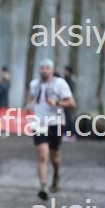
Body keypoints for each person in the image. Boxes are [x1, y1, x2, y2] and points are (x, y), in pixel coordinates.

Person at [27, 59, 76, 200]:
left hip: (56, 123)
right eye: (42, 68)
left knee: (54, 156)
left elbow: (72, 103)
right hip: (39, 123)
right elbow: (31, 99)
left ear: (52, 70)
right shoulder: (34, 84)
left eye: (47, 68)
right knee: (43, 155)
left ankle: (56, 174)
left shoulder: (60, 84)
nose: (44, 70)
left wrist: (57, 102)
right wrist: (28, 106)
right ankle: (43, 187)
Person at [62, 66, 77, 142]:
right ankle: (68, 134)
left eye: (65, 70)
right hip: (66, 102)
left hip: (68, 102)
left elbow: (69, 92)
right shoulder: (68, 79)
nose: (64, 72)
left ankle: (70, 135)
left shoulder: (68, 80)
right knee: (67, 118)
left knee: (68, 119)